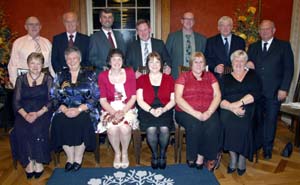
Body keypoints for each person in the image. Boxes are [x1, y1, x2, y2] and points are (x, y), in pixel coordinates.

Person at [247, 20, 294, 159]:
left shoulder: (284, 46)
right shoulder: (253, 47)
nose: (264, 31)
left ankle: (267, 148)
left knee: (271, 120)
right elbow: (248, 67)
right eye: (261, 29)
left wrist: (284, 89)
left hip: (274, 91)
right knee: (257, 120)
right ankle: (257, 145)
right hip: (255, 92)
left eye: (267, 29)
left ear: (274, 30)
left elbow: (289, 69)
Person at [50, 46, 100, 172]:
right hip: (64, 109)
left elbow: (95, 96)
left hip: (85, 109)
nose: (72, 61)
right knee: (60, 121)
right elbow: (54, 96)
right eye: (69, 59)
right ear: (66, 61)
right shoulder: (60, 75)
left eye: (75, 58)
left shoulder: (90, 74)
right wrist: (65, 109)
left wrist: (79, 109)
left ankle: (78, 157)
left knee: (82, 121)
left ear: (80, 59)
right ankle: (69, 157)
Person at [175, 52, 221, 170]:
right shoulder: (183, 77)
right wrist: (195, 113)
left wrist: (209, 112)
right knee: (194, 124)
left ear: (205, 64)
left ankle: (202, 157)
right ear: (191, 64)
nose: (199, 64)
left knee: (213, 125)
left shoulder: (210, 76)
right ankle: (191, 157)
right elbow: (178, 99)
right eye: (196, 62)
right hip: (185, 111)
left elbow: (217, 96)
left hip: (208, 110)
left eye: (201, 62)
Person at [10, 52, 53, 179]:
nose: (35, 66)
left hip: (43, 111)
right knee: (21, 130)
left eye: (38, 63)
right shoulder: (21, 79)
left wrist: (38, 113)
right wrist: (25, 115)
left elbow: (51, 101)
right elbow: (16, 101)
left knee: (37, 129)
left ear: (42, 65)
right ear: (28, 65)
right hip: (24, 112)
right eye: (32, 63)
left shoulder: (48, 79)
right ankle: (29, 161)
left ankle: (38, 160)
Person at [219, 50, 261, 176]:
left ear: (246, 62)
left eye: (242, 60)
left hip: (248, 105)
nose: (238, 63)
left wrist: (238, 104)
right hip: (228, 108)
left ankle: (242, 158)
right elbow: (219, 99)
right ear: (231, 62)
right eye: (236, 60)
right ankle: (233, 158)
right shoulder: (224, 78)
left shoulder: (253, 75)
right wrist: (232, 108)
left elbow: (255, 94)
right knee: (227, 122)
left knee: (244, 124)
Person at [97, 49, 138, 169]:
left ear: (123, 61)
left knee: (125, 129)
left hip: (127, 107)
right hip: (109, 108)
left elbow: (133, 97)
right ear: (109, 61)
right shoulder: (103, 76)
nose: (116, 61)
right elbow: (103, 100)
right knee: (113, 129)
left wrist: (123, 111)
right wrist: (114, 112)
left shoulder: (129, 72)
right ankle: (117, 152)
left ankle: (124, 152)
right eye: (113, 59)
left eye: (119, 59)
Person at [136, 52, 175, 169]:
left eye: (157, 62)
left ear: (161, 64)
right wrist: (151, 110)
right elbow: (139, 100)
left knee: (164, 129)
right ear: (147, 64)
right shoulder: (142, 79)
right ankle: (154, 154)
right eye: (151, 62)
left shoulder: (169, 79)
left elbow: (173, 100)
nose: (154, 64)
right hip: (147, 110)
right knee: (151, 129)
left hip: (165, 109)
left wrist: (163, 109)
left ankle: (162, 154)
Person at [8, 16, 55, 87]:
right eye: (31, 24)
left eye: (36, 24)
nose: (34, 27)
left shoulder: (47, 42)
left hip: (44, 81)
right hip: (25, 81)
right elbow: (12, 65)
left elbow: (51, 64)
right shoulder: (18, 43)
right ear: (26, 27)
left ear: (40, 27)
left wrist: (55, 81)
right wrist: (15, 84)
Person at [166, 12, 206, 79]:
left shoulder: (202, 39)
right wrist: (167, 67)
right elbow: (166, 56)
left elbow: (204, 59)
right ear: (182, 21)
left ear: (194, 22)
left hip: (196, 76)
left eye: (191, 19)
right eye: (186, 19)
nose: (188, 21)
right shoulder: (172, 37)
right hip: (177, 75)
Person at [89, 8, 126, 75]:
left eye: (109, 17)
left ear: (113, 19)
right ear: (100, 20)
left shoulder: (119, 35)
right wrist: (103, 65)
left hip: (120, 73)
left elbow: (124, 53)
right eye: (104, 17)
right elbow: (92, 58)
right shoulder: (94, 37)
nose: (107, 20)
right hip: (104, 73)